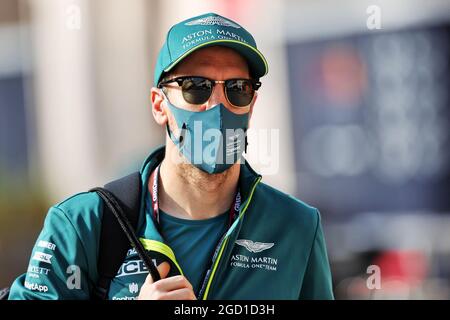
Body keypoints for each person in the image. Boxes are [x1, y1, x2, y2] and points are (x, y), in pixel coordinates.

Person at [9, 12, 334, 300]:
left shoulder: (296, 227)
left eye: (237, 88)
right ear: (159, 104)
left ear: (252, 106)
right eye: (196, 86)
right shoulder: (83, 225)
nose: (216, 106)